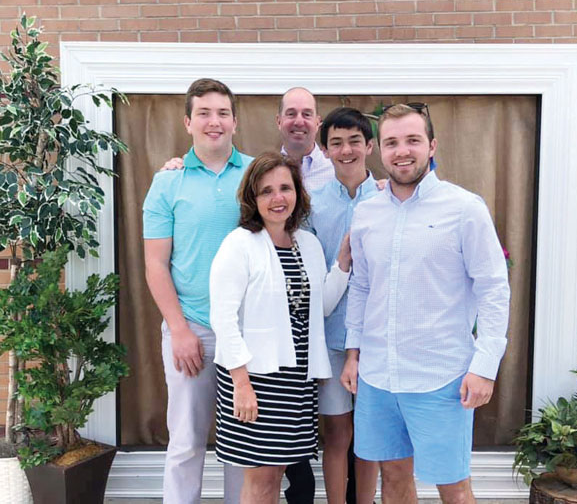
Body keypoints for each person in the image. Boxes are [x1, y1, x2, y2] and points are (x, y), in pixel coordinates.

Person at [341, 103, 510, 504]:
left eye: (413, 140)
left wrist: (485, 367)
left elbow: (493, 288)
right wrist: (353, 353)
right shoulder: (366, 213)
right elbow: (362, 286)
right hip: (378, 376)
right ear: (378, 150)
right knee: (394, 477)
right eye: (392, 142)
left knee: (454, 487)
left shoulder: (465, 208)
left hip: (441, 376)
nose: (402, 151)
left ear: (431, 145)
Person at [208, 152, 351, 504]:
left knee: (277, 477)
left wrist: (344, 264)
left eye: (285, 188)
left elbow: (320, 308)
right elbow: (222, 319)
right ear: (252, 199)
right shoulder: (239, 244)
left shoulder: (309, 244)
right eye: (266, 191)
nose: (277, 198)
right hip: (254, 379)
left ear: (298, 193)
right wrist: (241, 384)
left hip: (296, 383)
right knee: (260, 480)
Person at [142, 78, 251, 504]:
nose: (214, 122)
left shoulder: (257, 174)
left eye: (222, 113)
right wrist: (179, 329)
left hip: (246, 332)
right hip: (192, 329)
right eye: (204, 113)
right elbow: (155, 264)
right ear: (188, 122)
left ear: (235, 121)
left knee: (244, 446)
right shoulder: (166, 183)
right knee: (186, 441)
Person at [308, 107, 381, 504]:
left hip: (377, 338)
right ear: (324, 150)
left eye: (354, 141)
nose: (346, 150)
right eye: (336, 142)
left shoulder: (389, 198)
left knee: (370, 433)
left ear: (369, 146)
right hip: (331, 337)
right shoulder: (312, 205)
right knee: (336, 433)